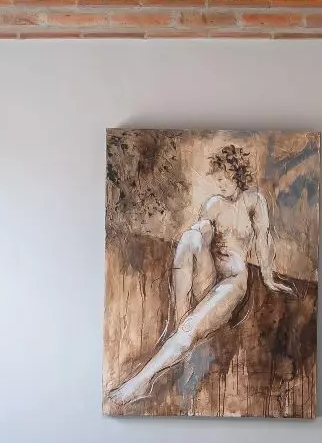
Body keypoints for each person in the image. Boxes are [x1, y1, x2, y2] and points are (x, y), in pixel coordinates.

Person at [108, 143, 291, 407]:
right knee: (191, 236)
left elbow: (263, 242)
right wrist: (202, 234)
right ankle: (180, 325)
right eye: (216, 179)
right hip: (209, 274)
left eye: (223, 178)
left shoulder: (254, 201)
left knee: (189, 328)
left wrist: (269, 277)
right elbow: (198, 240)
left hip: (232, 280)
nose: (220, 183)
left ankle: (139, 382)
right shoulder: (213, 204)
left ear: (236, 175)